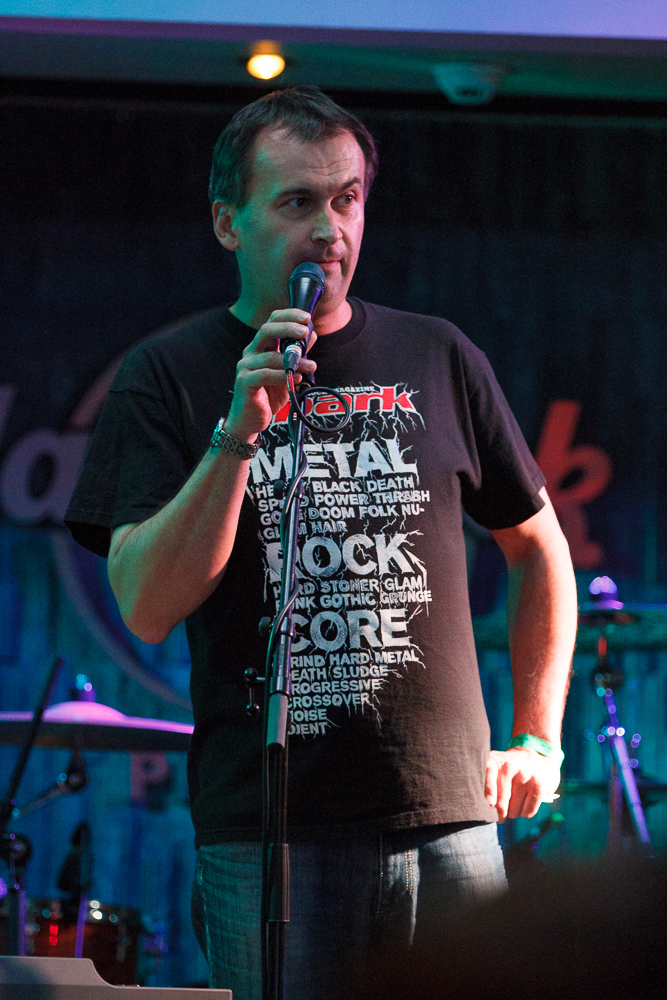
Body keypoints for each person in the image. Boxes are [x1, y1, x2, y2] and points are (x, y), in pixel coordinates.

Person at [65, 87, 577, 998]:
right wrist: (237, 434)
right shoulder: (168, 375)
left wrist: (539, 737)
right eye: (297, 202)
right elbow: (145, 605)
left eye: (346, 200)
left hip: (447, 817)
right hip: (272, 834)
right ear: (228, 223)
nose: (329, 230)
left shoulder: (438, 355)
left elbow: (538, 547)